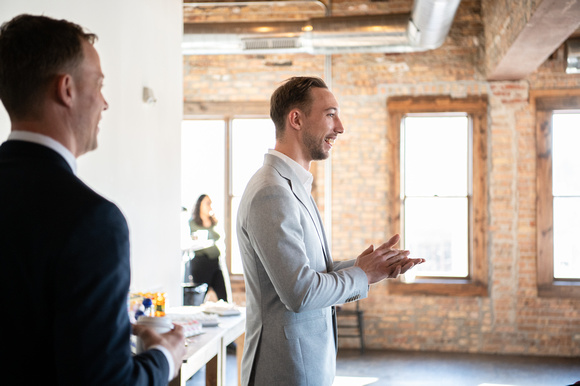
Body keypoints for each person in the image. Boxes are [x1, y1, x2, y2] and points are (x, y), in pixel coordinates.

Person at [0, 14, 185, 385]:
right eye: (99, 85)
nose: (104, 103)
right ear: (66, 89)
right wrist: (165, 356)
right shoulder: (91, 220)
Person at [236, 76, 425, 385]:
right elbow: (300, 292)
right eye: (330, 114)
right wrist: (362, 274)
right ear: (295, 119)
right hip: (285, 369)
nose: (340, 126)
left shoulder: (291, 186)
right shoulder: (271, 192)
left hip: (305, 363)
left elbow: (311, 272)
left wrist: (369, 266)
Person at [189, 194, 230, 302]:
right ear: (200, 205)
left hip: (216, 263)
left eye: (211, 203)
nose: (210, 206)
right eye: (207, 203)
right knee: (198, 299)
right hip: (201, 264)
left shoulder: (214, 222)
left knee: (224, 298)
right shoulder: (192, 223)